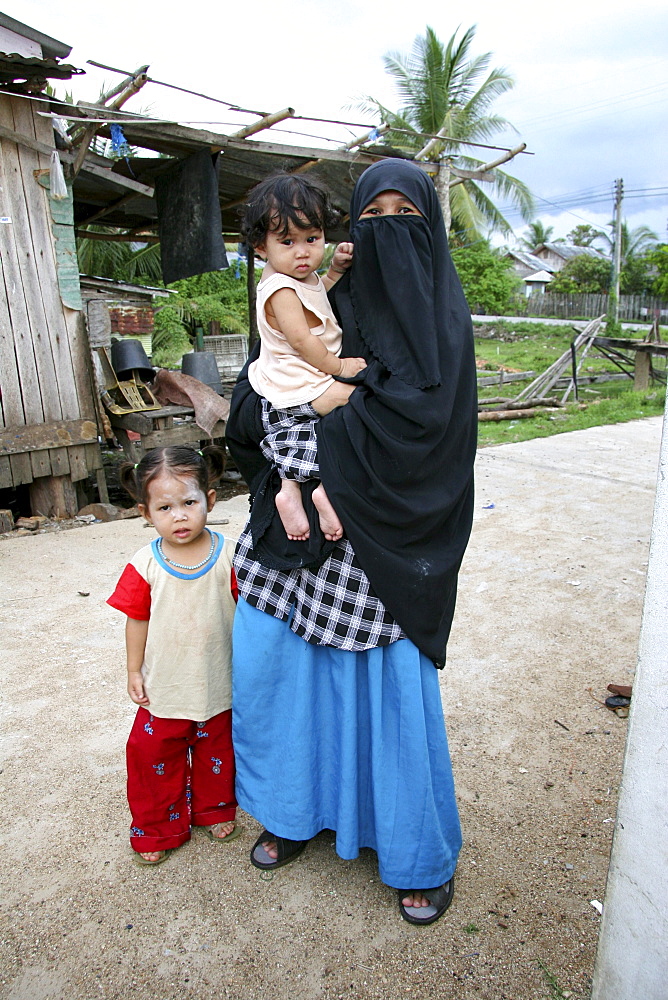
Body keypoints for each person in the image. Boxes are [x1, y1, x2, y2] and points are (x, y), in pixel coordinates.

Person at [226, 158, 478, 924]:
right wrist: (307, 443)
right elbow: (251, 401)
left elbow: (429, 430)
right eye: (375, 214)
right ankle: (296, 812)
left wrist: (334, 426)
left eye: (406, 212)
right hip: (299, 542)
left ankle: (414, 853)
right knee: (283, 669)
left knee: (387, 691)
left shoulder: (444, 321)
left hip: (389, 545)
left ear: (428, 223)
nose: (388, 228)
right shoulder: (316, 303)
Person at [107, 446, 239, 865]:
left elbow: (252, 615)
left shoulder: (230, 554)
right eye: (165, 507)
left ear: (210, 500)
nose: (179, 516)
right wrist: (133, 670)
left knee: (217, 751)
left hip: (220, 680)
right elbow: (136, 619)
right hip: (165, 686)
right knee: (152, 758)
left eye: (189, 502)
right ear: (146, 512)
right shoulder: (144, 563)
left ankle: (213, 809)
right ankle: (158, 826)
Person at [242, 172, 366, 544]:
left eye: (312, 239)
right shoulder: (279, 288)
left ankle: (290, 490)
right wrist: (338, 367)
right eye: (287, 241)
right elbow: (300, 337)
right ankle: (324, 491)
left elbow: (316, 303)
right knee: (357, 402)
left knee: (304, 434)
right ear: (261, 247)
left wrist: (334, 272)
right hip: (301, 375)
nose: (302, 251)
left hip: (301, 373)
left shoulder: (300, 276)